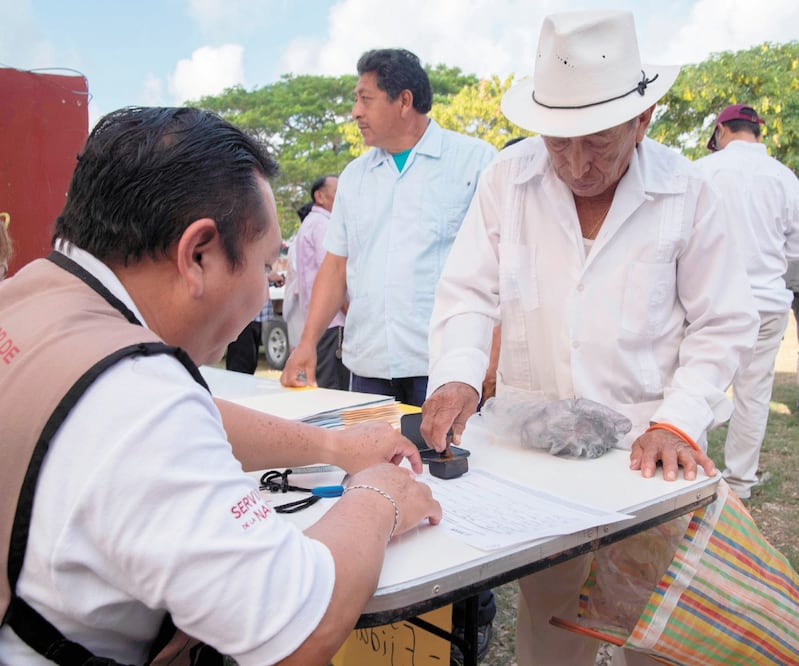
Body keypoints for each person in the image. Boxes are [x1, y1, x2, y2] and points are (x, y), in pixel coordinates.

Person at [0, 106, 442, 665]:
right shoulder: (139, 398)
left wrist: (335, 447)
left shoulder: (37, 299)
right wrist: (380, 498)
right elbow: (299, 630)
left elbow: (185, 414)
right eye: (264, 266)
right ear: (198, 255)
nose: (266, 288)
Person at [420, 11, 758, 666]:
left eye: (597, 143)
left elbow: (722, 322)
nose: (575, 165)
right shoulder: (506, 181)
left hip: (651, 448)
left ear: (644, 119)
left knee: (654, 629)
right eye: (557, 143)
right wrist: (458, 374)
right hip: (538, 450)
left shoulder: (687, 192)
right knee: (550, 626)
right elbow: (468, 293)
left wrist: (677, 422)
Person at [279, 48, 498, 660]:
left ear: (405, 100)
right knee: (371, 482)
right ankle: (386, 613)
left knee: (457, 496)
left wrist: (490, 360)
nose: (355, 112)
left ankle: (470, 609)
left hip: (445, 367)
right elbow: (335, 268)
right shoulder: (355, 177)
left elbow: (499, 269)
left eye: (364, 98)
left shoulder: (472, 162)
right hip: (369, 364)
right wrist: (304, 343)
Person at [695, 104, 799, 497]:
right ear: (758, 133)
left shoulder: (704, 171)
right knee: (754, 394)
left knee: (700, 383)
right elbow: (794, 249)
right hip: (767, 301)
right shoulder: (785, 178)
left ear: (722, 131)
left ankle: (692, 470)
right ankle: (739, 481)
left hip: (712, 298)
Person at [293, 174, 350, 390]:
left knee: (325, 386)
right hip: (333, 321)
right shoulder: (323, 225)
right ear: (320, 196)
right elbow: (334, 273)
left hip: (321, 323)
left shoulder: (311, 223)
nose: (342, 199)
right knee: (334, 390)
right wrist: (350, 310)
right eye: (337, 193)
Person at [225, 269, 284, 374]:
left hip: (254, 316)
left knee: (248, 365)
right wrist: (267, 277)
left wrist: (270, 280)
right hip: (243, 316)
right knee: (240, 368)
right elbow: (240, 276)